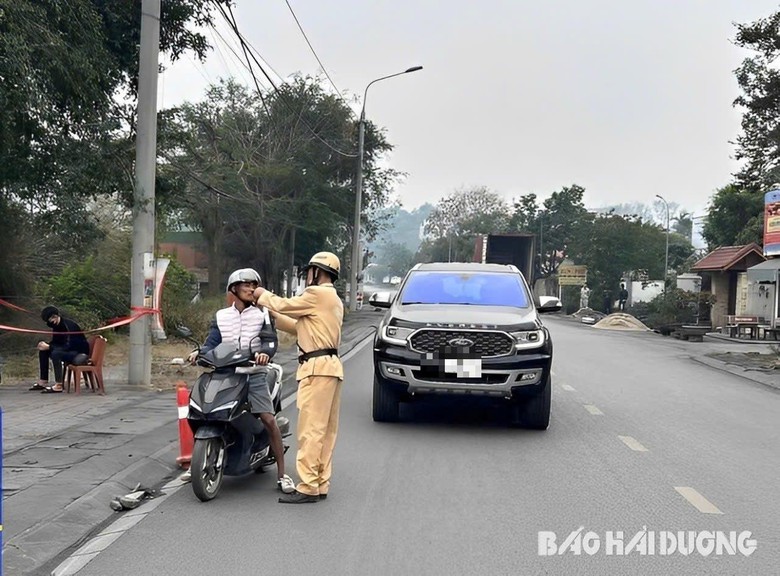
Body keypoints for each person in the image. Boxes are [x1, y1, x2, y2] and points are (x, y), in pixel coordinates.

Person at [188, 268, 295, 494]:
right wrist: (198, 353)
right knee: (201, 410)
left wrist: (265, 353)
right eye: (246, 285)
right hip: (223, 371)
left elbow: (270, 342)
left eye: (254, 285)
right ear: (234, 288)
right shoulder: (221, 316)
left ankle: (282, 475)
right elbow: (211, 343)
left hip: (252, 372)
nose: (251, 288)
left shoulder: (263, 314)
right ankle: (200, 458)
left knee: (267, 418)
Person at [253, 252, 344, 504]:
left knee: (310, 430)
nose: (306, 277)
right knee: (326, 432)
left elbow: (284, 304)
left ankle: (307, 487)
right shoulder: (332, 299)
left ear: (317, 271)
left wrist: (262, 295)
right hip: (331, 367)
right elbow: (299, 326)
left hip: (316, 368)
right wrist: (272, 317)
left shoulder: (317, 294)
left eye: (309, 272)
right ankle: (320, 482)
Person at [30, 306, 90, 394]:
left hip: (79, 353)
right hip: (69, 350)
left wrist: (50, 347)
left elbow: (70, 345)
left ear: (55, 316)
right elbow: (57, 342)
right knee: (44, 351)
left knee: (56, 354)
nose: (49, 323)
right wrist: (46, 345)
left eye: (50, 320)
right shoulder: (57, 326)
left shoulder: (68, 326)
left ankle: (59, 385)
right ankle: (43, 380)